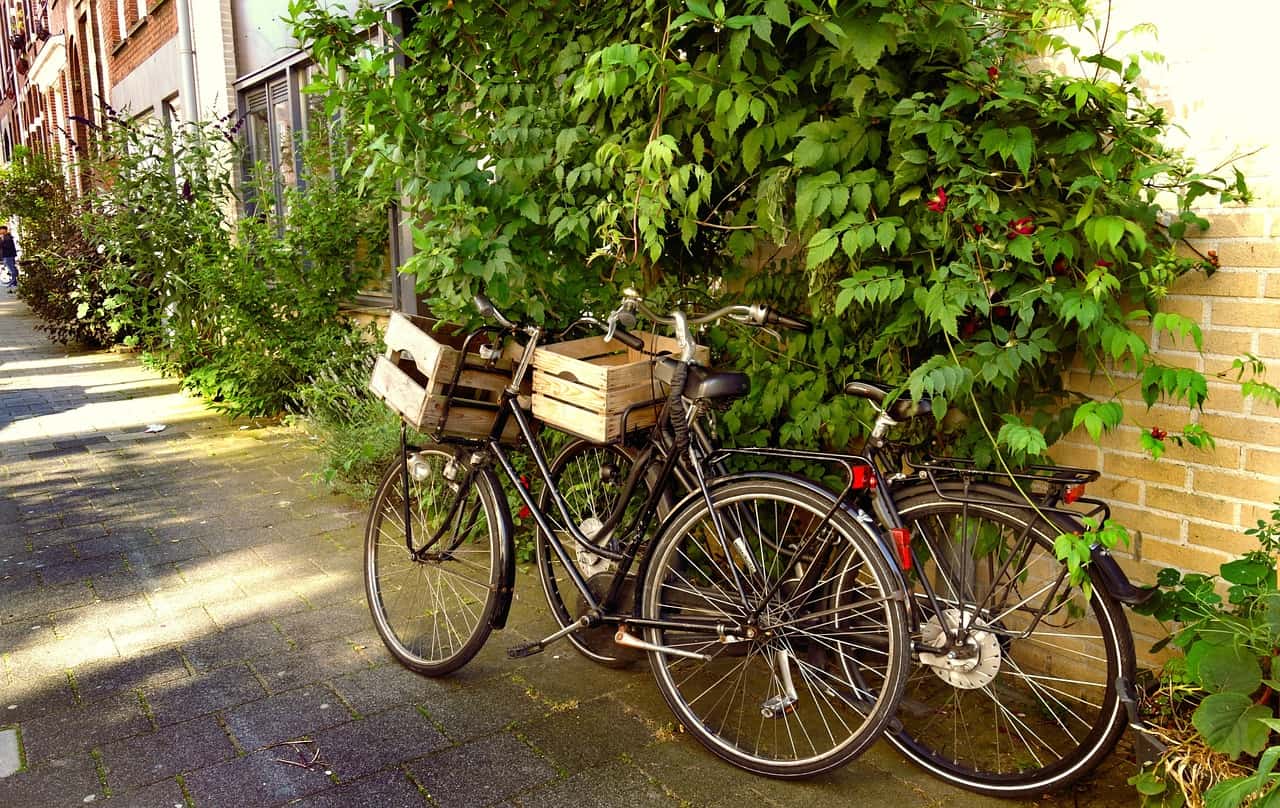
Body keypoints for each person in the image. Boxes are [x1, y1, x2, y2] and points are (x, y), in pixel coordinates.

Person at [0, 226, 16, 292]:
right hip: (6, 255)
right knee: (11, 269)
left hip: (8, 255)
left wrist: (1, 240)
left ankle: (13, 282)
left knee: (11, 269)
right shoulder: (4, 237)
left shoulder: (7, 237)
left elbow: (6, 246)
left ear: (4, 230)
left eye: (1, 230)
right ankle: (13, 282)